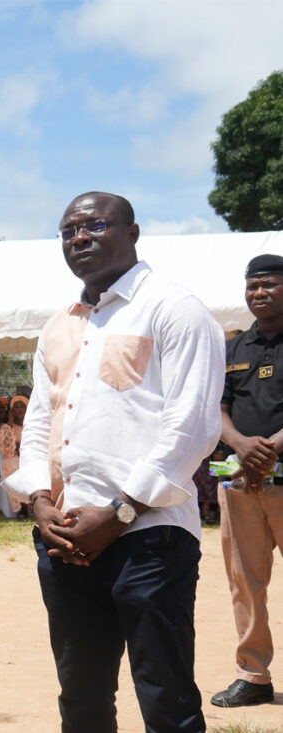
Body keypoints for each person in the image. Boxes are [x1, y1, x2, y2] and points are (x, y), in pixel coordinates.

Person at [3, 192, 224, 731]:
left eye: (95, 225)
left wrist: (122, 511)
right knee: (81, 696)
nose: (79, 238)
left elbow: (192, 425)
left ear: (133, 232)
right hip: (65, 535)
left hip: (149, 537)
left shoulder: (175, 309)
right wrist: (38, 501)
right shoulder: (59, 325)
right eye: (67, 232)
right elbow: (37, 423)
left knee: (166, 698)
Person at [211, 253, 283, 707]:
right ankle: (253, 676)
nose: (259, 293)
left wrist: (271, 447)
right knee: (245, 582)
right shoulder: (234, 348)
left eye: (269, 284)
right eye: (252, 286)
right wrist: (240, 444)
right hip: (238, 480)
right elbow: (216, 408)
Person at [0, 395, 29, 518]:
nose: (19, 410)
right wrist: (10, 422)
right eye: (16, 407)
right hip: (14, 459)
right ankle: (22, 508)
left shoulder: (33, 426)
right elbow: (7, 449)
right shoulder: (7, 428)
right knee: (15, 464)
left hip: (30, 457)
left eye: (22, 407)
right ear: (12, 411)